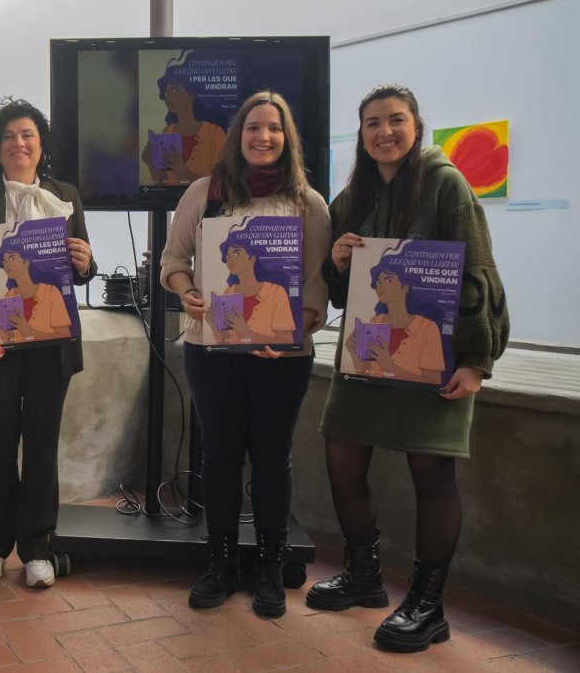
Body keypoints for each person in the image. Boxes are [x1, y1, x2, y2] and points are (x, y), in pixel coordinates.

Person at [307, 84, 509, 652]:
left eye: (395, 121)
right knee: (342, 458)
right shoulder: (352, 198)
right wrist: (339, 262)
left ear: (416, 125)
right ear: (362, 134)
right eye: (372, 123)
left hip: (435, 355)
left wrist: (476, 361)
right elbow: (345, 292)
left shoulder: (447, 185)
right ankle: (364, 575)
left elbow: (480, 273)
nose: (384, 132)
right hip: (366, 355)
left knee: (433, 476)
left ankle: (427, 604)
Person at [160, 90, 330, 617]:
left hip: (282, 358)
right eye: (254, 127)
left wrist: (288, 332)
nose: (263, 137)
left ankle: (270, 569)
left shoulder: (308, 203)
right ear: (239, 134)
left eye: (274, 128)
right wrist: (186, 290)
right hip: (212, 351)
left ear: (287, 138)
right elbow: (173, 259)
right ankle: (222, 562)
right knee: (219, 457)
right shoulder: (205, 191)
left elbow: (317, 284)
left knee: (274, 459)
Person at [0, 97, 96, 589]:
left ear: (41, 144)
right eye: (9, 136)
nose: (19, 143)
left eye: (27, 135)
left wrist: (84, 260)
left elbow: (83, 274)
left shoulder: (64, 193)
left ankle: (37, 548)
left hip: (50, 346)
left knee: (44, 449)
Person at [345, 254, 447, 384]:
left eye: (388, 280)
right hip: (374, 395)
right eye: (379, 282)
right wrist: (354, 353)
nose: (380, 285)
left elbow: (433, 382)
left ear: (405, 287)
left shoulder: (427, 328)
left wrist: (389, 366)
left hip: (409, 400)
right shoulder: (376, 321)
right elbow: (365, 373)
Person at [141, 58, 227, 185]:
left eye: (175, 90)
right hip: (171, 205)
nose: (168, 96)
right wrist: (150, 165)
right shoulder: (167, 131)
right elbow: (162, 186)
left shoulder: (215, 133)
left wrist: (182, 173)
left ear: (191, 95)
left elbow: (221, 186)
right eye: (166, 93)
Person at [206, 227, 298, 346]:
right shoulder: (229, 291)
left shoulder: (276, 292)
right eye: (228, 256)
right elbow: (225, 343)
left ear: (252, 258)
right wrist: (213, 325)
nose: (231, 259)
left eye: (237, 253)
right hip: (233, 361)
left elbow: (287, 343)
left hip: (268, 363)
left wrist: (245, 332)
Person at [0, 236, 72, 343]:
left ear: (26, 262)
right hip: (20, 356)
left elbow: (65, 336)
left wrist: (27, 331)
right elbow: (10, 340)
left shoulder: (50, 292)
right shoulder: (9, 295)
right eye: (4, 261)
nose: (7, 264)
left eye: (12, 258)